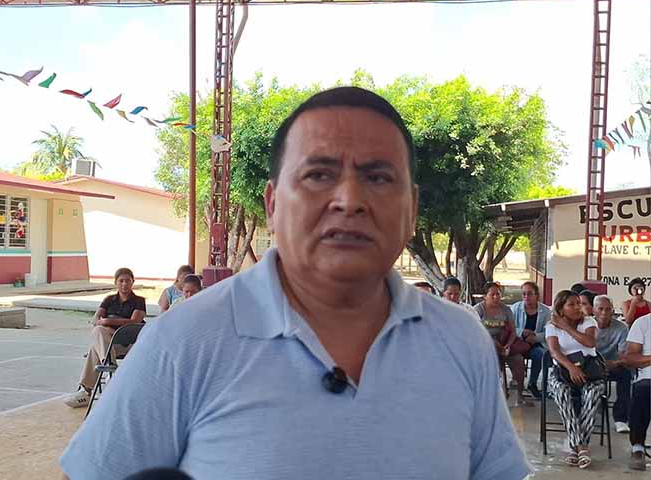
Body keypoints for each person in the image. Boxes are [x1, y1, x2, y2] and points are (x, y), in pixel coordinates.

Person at [61, 86, 531, 480]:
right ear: (272, 203)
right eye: (319, 174)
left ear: (411, 209)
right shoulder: (184, 341)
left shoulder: (461, 339)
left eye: (378, 177)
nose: (349, 200)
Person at [63, 268, 146, 408]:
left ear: (133, 282)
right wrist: (104, 326)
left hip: (129, 343)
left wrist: (108, 322)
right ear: (115, 282)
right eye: (121, 281)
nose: (124, 284)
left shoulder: (139, 301)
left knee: (96, 346)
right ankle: (107, 368)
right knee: (98, 333)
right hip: (108, 344)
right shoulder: (109, 300)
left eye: (127, 281)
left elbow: (134, 322)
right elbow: (96, 319)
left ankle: (87, 390)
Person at [545, 290, 603, 469]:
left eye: (579, 303)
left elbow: (590, 343)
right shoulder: (551, 326)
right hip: (562, 371)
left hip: (590, 371)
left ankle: (574, 448)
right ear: (560, 309)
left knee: (592, 393)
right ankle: (581, 447)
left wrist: (566, 327)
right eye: (572, 304)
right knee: (562, 393)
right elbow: (554, 352)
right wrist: (571, 367)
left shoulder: (589, 322)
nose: (578, 307)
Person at [475, 282, 532, 407]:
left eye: (498, 294)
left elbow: (513, 331)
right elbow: (476, 332)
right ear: (485, 296)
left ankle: (519, 394)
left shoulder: (506, 310)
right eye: (492, 294)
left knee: (518, 361)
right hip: (486, 345)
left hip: (505, 343)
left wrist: (507, 345)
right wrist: (495, 345)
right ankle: (493, 395)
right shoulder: (479, 310)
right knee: (494, 362)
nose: (496, 297)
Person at [593, 294, 632, 434]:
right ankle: (586, 413)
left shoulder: (622, 328)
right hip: (591, 364)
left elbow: (623, 355)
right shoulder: (587, 325)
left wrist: (613, 363)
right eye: (600, 309)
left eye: (608, 309)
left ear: (613, 311)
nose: (604, 313)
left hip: (612, 364)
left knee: (626, 374)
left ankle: (621, 419)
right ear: (594, 310)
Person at [510, 281, 551, 399]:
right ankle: (517, 382)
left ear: (536, 295)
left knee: (540, 355)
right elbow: (509, 328)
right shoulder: (515, 308)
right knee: (514, 356)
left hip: (536, 344)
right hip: (518, 342)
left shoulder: (545, 311)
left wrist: (536, 337)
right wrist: (522, 332)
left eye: (529, 293)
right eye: (524, 294)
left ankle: (532, 383)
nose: (526, 297)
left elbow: (549, 332)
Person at [627, 313, 651, 470]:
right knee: (642, 391)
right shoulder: (643, 323)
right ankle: (638, 448)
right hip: (648, 377)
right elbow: (631, 358)